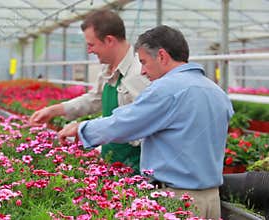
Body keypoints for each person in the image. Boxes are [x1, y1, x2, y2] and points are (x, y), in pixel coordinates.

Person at [58, 25, 234, 219]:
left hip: (177, 201)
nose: (142, 71)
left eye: (144, 62)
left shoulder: (166, 89)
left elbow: (125, 124)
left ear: (162, 56)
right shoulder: (217, 92)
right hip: (211, 199)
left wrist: (81, 129)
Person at [29, 10, 150, 174]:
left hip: (135, 166)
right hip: (112, 160)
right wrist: (54, 110)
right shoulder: (108, 67)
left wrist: (85, 129)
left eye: (91, 45)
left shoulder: (139, 73)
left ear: (109, 40)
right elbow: (96, 98)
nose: (89, 51)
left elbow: (140, 123)